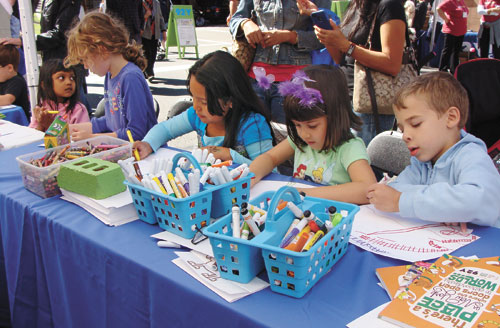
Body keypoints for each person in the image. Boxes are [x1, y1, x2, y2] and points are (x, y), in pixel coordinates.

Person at [367, 72, 500, 229]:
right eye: (402, 129)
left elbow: (478, 201)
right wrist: (447, 208)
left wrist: (401, 202)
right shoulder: (420, 163)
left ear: (451, 118)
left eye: (415, 124)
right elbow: (394, 189)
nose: (405, 136)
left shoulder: (472, 157)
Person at [250, 65, 377, 204]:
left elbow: (367, 189)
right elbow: (271, 157)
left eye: (312, 126)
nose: (304, 134)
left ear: (335, 116)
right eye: (297, 125)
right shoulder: (300, 139)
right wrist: (251, 176)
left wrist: (304, 193)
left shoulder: (350, 148)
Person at [133, 50, 274, 166]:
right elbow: (165, 129)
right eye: (193, 97)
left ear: (230, 100)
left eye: (204, 102)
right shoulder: (196, 115)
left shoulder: (252, 125)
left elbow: (267, 170)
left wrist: (228, 154)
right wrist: (147, 144)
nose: (196, 106)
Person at [297, 0, 407, 147]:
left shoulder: (389, 5)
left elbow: (392, 63)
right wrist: (326, 32)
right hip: (346, 98)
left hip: (370, 104)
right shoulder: (355, 6)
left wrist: (345, 45)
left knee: (364, 164)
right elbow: (341, 58)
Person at [229, 0, 330, 124]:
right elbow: (235, 20)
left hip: (294, 84)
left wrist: (290, 36)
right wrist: (245, 23)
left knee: (288, 138)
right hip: (255, 81)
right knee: (254, 137)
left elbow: (326, 37)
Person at [64, 12, 157, 141]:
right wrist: (75, 128)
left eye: (86, 59)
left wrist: (93, 138)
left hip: (145, 154)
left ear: (102, 50)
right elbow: (111, 120)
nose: (85, 66)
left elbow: (136, 133)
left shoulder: (130, 78)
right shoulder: (110, 75)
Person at [28, 59, 90, 131]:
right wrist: (40, 123)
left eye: (72, 78)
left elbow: (81, 138)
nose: (68, 82)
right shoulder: (42, 107)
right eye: (61, 78)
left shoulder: (78, 109)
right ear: (44, 85)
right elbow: (34, 136)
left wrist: (51, 125)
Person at [437, 0, 468, 74]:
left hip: (461, 31)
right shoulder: (450, 1)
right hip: (451, 30)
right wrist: (446, 19)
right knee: (447, 50)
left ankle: (454, 69)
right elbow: (439, 9)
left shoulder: (461, 2)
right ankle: (442, 69)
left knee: (456, 51)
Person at [0, 44, 29, 119]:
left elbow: (7, 99)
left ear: (9, 68)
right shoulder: (2, 79)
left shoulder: (17, 81)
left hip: (17, 121)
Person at [141, 0, 167, 81]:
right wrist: (145, 16)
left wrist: (163, 31)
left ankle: (148, 70)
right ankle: (149, 72)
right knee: (147, 53)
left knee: (153, 53)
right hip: (144, 32)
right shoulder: (141, 3)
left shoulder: (156, 3)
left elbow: (160, 17)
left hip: (155, 32)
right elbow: (138, 17)